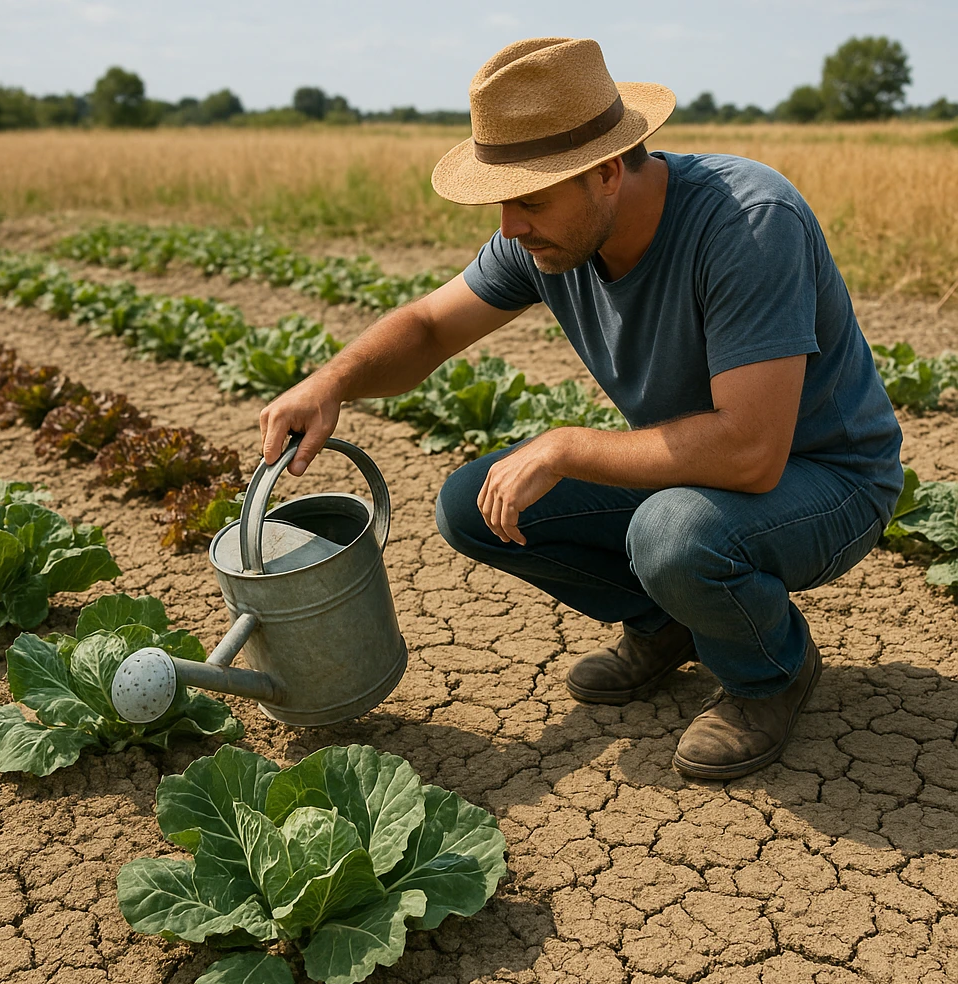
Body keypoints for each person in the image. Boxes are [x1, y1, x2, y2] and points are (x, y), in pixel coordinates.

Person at [258, 37, 903, 781]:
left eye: (528, 200)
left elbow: (751, 455)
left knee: (675, 535)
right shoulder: (549, 238)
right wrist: (332, 381)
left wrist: (566, 445)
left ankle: (770, 673)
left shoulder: (747, 221)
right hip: (706, 473)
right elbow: (433, 326)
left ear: (604, 173)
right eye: (502, 200)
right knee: (474, 503)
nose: (509, 226)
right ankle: (671, 626)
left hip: (825, 479)